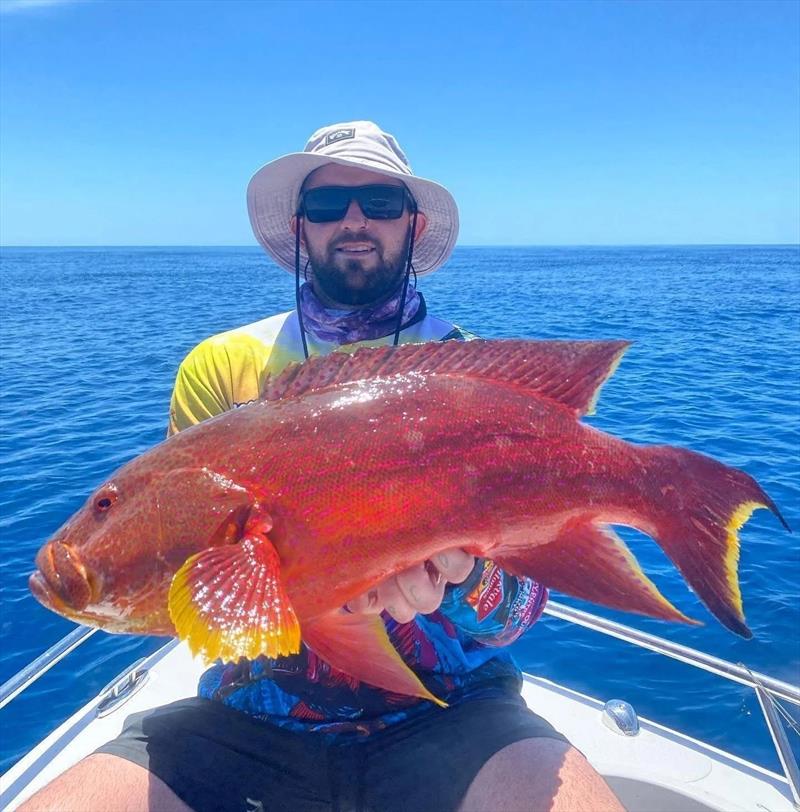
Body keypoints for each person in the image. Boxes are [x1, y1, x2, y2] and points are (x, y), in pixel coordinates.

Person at [21, 122, 623, 812]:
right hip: (245, 715)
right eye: (329, 207)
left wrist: (464, 580)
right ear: (301, 228)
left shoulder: (471, 373)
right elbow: (193, 576)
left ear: (412, 223)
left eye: (380, 202)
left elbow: (518, 613)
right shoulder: (221, 366)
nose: (356, 221)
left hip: (457, 709)